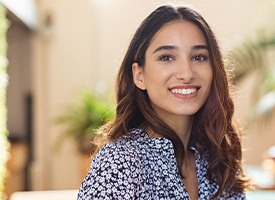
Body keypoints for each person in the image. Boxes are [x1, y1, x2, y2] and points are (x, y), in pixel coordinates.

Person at [77, 4, 250, 200]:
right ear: (139, 75)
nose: (186, 74)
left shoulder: (218, 160)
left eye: (199, 57)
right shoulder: (120, 162)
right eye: (167, 57)